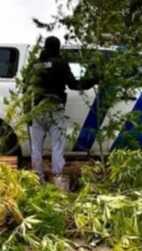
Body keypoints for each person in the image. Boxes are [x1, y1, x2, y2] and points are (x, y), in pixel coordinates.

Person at [29, 36, 96, 183]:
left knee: (36, 149)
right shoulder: (60, 64)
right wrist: (94, 80)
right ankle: (57, 181)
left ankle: (37, 180)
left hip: (37, 110)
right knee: (57, 148)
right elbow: (73, 84)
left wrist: (28, 113)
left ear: (45, 47)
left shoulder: (35, 65)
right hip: (54, 109)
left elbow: (26, 89)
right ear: (57, 48)